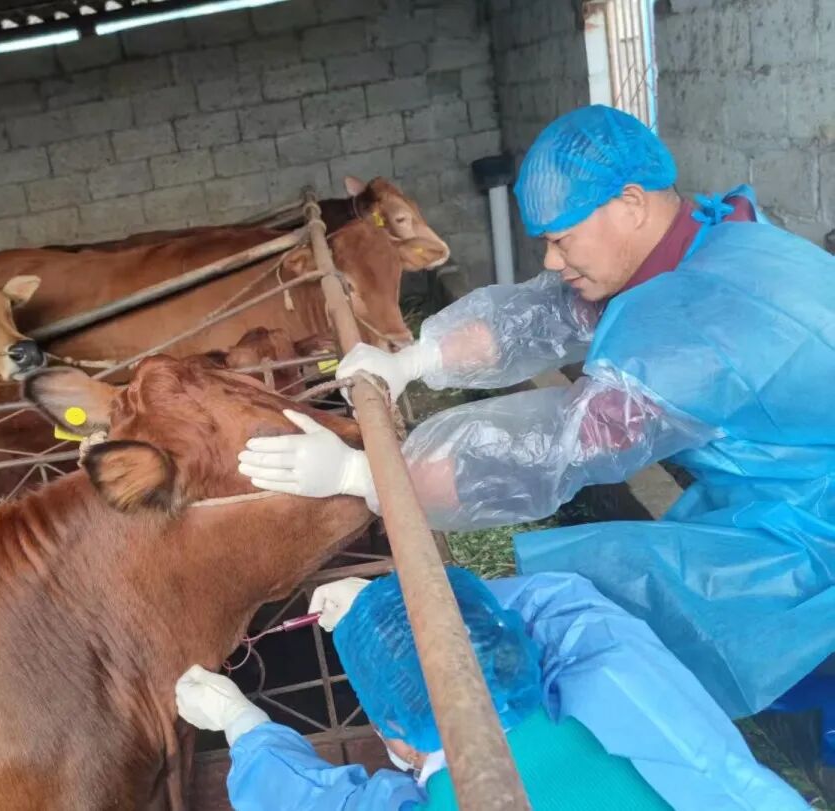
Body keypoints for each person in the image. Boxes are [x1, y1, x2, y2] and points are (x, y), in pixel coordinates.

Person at [236, 104, 835, 719]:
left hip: (814, 521)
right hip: (777, 484)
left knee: (611, 599)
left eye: (560, 239)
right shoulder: (706, 236)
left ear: (630, 203)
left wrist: (365, 476)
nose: (550, 260)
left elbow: (552, 450)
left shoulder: (699, 324)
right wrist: (414, 359)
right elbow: (543, 316)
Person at [176, 568, 804, 810]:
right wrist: (402, 604)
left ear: (394, 734)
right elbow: (564, 602)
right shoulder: (619, 679)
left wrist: (241, 724)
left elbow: (308, 802)